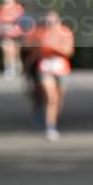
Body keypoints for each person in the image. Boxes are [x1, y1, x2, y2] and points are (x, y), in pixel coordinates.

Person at [31, 10, 75, 140]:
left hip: (61, 68)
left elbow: (69, 51)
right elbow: (34, 51)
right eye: (48, 22)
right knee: (52, 97)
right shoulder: (40, 33)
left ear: (59, 21)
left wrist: (55, 47)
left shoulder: (65, 32)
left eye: (53, 21)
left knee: (59, 96)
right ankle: (50, 127)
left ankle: (53, 116)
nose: (50, 24)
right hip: (45, 68)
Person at [0, 0, 25, 79]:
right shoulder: (1, 9)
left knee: (16, 53)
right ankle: (9, 69)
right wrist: (0, 30)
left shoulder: (18, 8)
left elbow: (21, 21)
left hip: (16, 33)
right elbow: (0, 22)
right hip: (6, 34)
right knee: (6, 50)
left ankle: (17, 66)